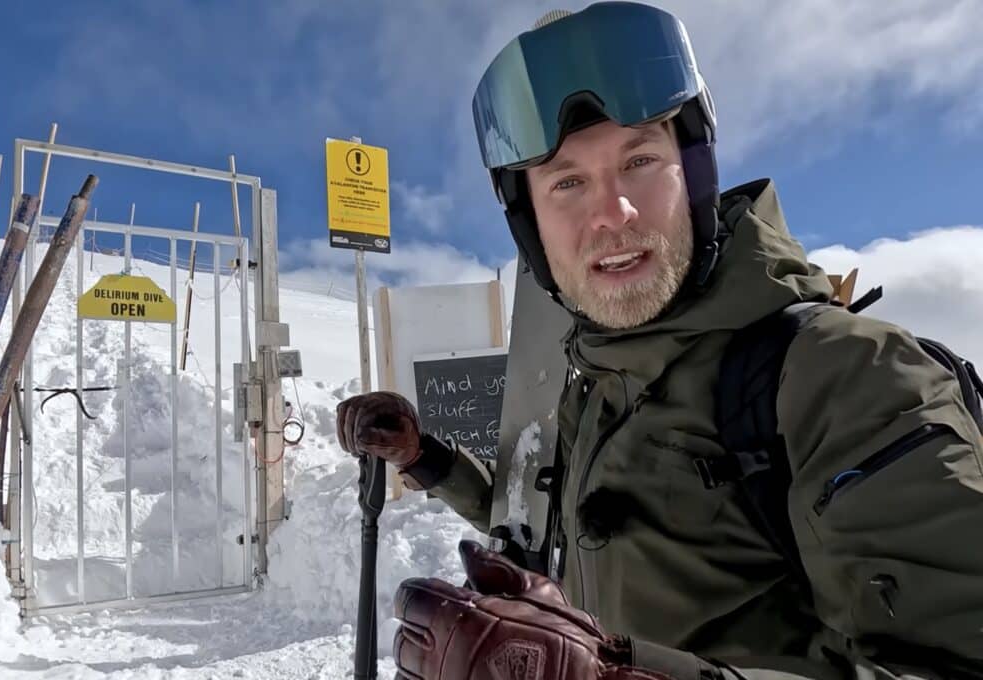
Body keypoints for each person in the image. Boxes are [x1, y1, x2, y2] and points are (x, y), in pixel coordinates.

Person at [334, 3, 983, 679]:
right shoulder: (601, 388)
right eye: (567, 182)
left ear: (694, 172)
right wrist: (423, 456)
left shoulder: (846, 377)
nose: (612, 214)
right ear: (531, 225)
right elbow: (542, 520)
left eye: (640, 160)